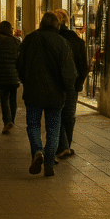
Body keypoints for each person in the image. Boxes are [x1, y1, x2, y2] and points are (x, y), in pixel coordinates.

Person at [16, 12, 76, 176]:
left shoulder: (30, 39)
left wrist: (25, 80)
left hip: (33, 90)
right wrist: (67, 87)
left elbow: (19, 63)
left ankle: (37, 151)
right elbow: (69, 71)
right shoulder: (62, 43)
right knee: (54, 128)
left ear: (41, 24)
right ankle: (49, 162)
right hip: (55, 93)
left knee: (33, 124)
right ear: (57, 25)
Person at [54, 9, 88, 159]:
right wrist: (79, 82)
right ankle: (67, 144)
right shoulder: (76, 39)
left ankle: (63, 146)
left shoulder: (53, 38)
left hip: (56, 82)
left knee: (56, 112)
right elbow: (83, 65)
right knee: (69, 114)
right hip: (72, 82)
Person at [0, 21, 21, 134]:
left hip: (0, 76)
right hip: (13, 76)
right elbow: (20, 60)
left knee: (4, 99)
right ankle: (12, 120)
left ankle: (7, 121)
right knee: (13, 99)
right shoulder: (16, 42)